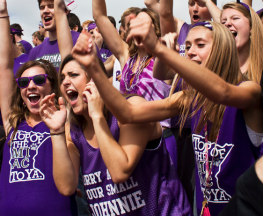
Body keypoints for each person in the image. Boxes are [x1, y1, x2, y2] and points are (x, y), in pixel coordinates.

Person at [79, 13, 263, 216]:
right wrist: (93, 67)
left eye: (200, 45)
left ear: (222, 49)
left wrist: (159, 49)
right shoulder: (189, 98)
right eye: (189, 46)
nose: (191, 52)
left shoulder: (250, 90)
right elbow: (128, 113)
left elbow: (223, 93)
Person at [38, 0, 192, 216]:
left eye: (74, 75)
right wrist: (58, 133)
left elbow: (120, 172)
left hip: (155, 128)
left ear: (94, 79)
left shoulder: (132, 106)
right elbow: (67, 187)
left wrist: (98, 116)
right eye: (63, 78)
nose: (65, 82)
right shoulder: (76, 126)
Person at [0, 0, 77, 216]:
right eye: (24, 82)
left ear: (52, 85)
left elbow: (68, 58)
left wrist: (60, 11)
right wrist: (3, 15)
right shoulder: (12, 123)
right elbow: (5, 67)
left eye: (39, 79)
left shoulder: (66, 121)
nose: (31, 85)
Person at [29, 0, 80, 71]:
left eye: (51, 6)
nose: (45, 11)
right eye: (42, 7)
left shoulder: (81, 40)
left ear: (65, 10)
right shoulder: (35, 52)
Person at [221, 0, 263, 83]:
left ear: (251, 27)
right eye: (223, 21)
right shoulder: (217, 71)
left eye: (235, 18)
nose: (227, 23)